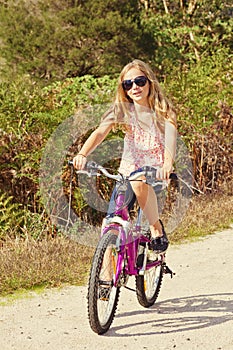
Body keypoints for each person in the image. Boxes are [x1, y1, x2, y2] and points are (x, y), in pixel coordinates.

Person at [73, 59, 177, 253]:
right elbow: (99, 133)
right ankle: (104, 280)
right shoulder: (123, 111)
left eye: (139, 81)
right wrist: (82, 153)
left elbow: (171, 142)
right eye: (128, 84)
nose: (134, 87)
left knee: (138, 181)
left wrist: (167, 165)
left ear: (149, 82)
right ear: (124, 89)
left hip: (155, 173)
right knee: (110, 224)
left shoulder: (163, 112)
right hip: (127, 173)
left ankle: (156, 227)